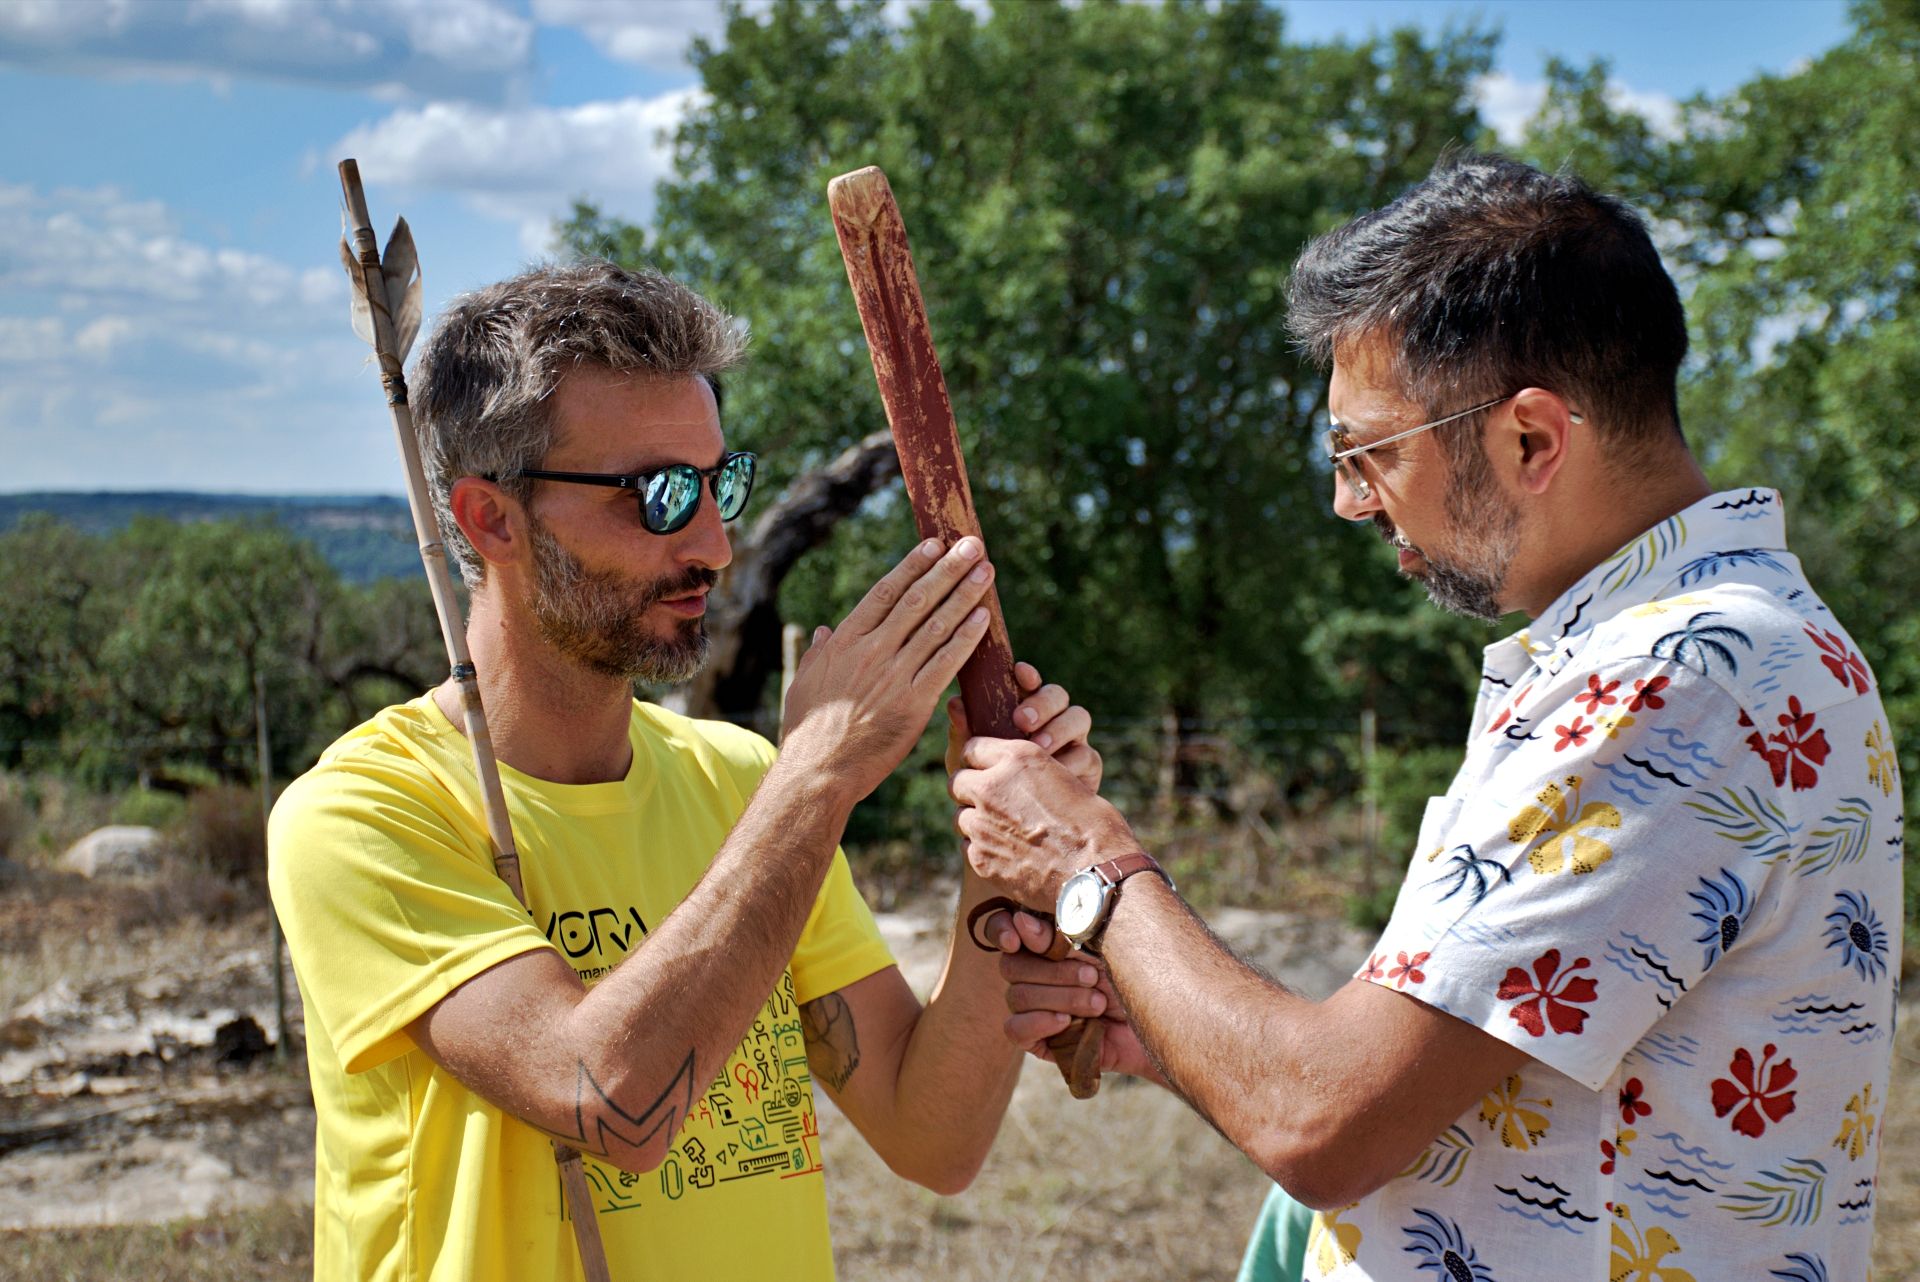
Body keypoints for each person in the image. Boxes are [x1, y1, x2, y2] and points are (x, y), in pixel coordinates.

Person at [950, 153, 1900, 1282]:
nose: (1348, 500)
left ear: (1531, 439)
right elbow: (1424, 1089)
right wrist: (1166, 1017)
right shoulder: (1703, 653)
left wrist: (1085, 864)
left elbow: (1323, 1122)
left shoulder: (1676, 678)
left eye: (1369, 452)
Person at [267, 261, 1096, 1281]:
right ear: (492, 520)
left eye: (719, 483)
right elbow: (609, 1100)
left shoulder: (739, 781)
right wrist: (819, 776)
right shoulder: (364, 815)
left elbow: (933, 1137)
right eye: (657, 495)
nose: (714, 543)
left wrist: (1004, 850)